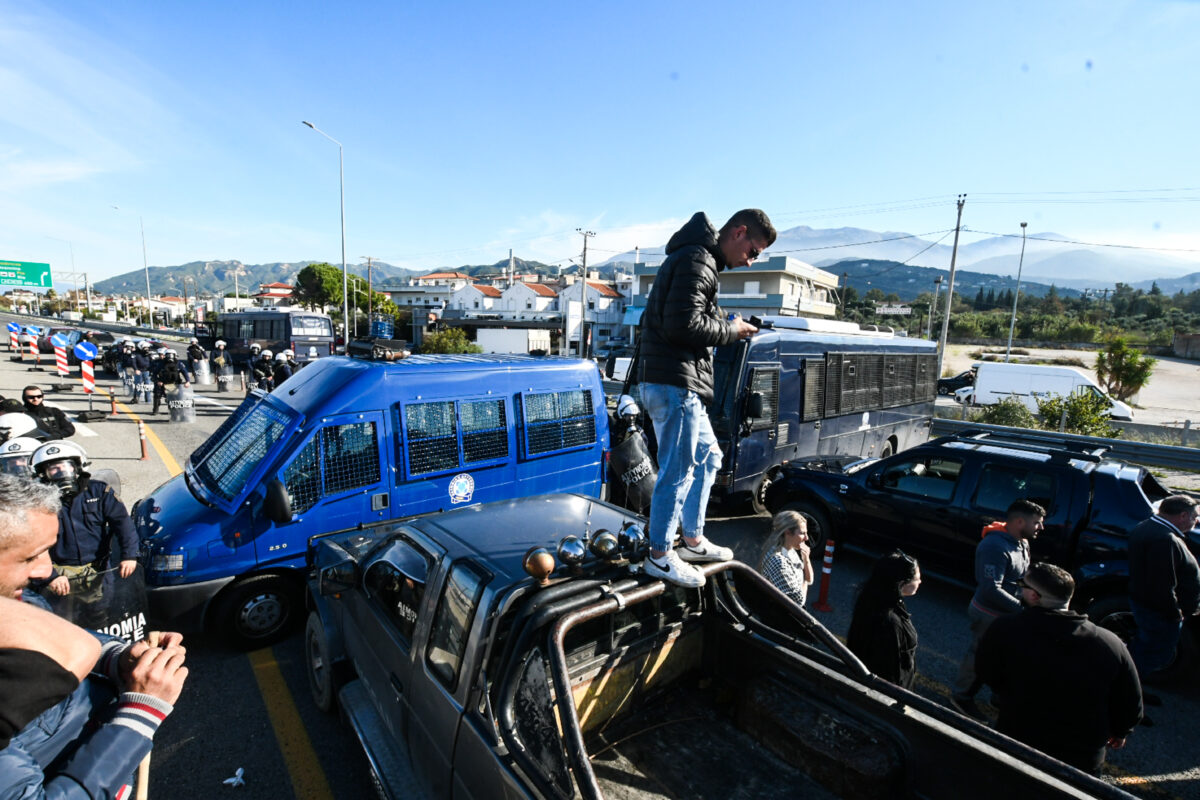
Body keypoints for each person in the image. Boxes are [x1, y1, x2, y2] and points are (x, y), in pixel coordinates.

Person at [0, 472, 188, 799]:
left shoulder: (12, 593)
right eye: (29, 557)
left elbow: (55, 631)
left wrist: (115, 657)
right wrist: (140, 716)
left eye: (47, 551)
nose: (45, 571)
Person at [637, 209, 776, 588]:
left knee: (710, 456)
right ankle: (661, 554)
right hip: (675, 383)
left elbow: (685, 318)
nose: (752, 259)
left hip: (673, 381)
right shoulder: (698, 261)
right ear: (739, 232)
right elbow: (683, 325)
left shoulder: (695, 258)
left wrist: (727, 324)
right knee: (677, 471)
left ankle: (693, 539)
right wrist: (730, 330)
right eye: (754, 249)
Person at [976, 562, 1142, 774]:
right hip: (1081, 756)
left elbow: (986, 672)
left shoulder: (1006, 629)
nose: (1020, 589)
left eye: (1023, 585)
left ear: (1035, 596)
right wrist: (1121, 730)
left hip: (1018, 736)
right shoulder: (1109, 643)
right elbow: (1130, 697)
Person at [951, 498, 1045, 719]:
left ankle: (999, 695)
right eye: (1037, 523)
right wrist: (1022, 608)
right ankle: (961, 697)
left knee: (1006, 657)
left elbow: (1018, 577)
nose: (1041, 527)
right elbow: (990, 589)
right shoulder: (994, 547)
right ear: (1020, 522)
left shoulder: (1021, 541)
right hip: (989, 614)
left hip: (1007, 614)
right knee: (979, 657)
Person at [31, 440, 139, 628]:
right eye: (53, 470)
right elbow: (33, 544)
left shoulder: (100, 491)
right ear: (43, 475)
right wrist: (50, 576)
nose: (61, 474)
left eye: (66, 467)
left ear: (78, 468)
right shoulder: (38, 503)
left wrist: (129, 555)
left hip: (99, 571)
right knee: (63, 623)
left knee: (101, 615)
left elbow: (123, 523)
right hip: (61, 576)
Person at [1127, 494, 1200, 683]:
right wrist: (1176, 614)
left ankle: (1134, 687)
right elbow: (1162, 585)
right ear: (1183, 515)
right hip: (1159, 613)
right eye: (1195, 516)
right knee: (1152, 655)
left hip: (1145, 604)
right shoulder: (1164, 539)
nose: (1196, 520)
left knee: (1143, 649)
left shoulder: (1147, 526)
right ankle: (1129, 691)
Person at [846, 550, 922, 689]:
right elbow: (889, 671)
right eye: (916, 579)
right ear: (901, 584)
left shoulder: (872, 599)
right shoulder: (889, 622)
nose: (920, 582)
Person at [759, 509, 815, 606]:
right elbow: (799, 602)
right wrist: (804, 580)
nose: (807, 538)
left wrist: (806, 559)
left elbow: (810, 580)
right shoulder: (778, 561)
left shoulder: (790, 550)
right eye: (802, 533)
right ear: (788, 532)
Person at [152, 349, 190, 415]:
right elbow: (154, 374)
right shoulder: (161, 363)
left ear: (175, 355)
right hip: (163, 383)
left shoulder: (179, 363)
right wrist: (158, 381)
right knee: (157, 395)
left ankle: (173, 412)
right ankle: (155, 409)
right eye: (168, 355)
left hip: (173, 384)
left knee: (173, 398)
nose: (170, 356)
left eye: (172, 355)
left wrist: (187, 381)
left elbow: (185, 372)